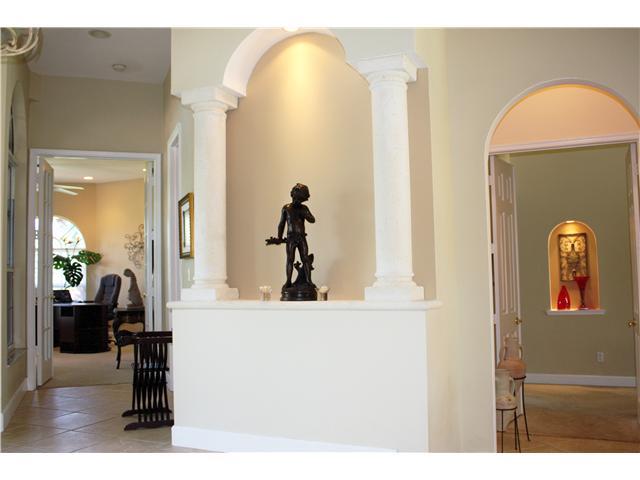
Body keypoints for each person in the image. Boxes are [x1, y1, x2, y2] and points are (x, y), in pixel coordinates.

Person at [269, 183, 316, 289]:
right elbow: (281, 224)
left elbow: (312, 220)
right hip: (291, 237)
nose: (298, 201)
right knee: (290, 259)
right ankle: (288, 281)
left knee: (305, 258)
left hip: (301, 237)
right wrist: (279, 237)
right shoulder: (286, 208)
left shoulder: (304, 208)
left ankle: (309, 281)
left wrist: (305, 214)